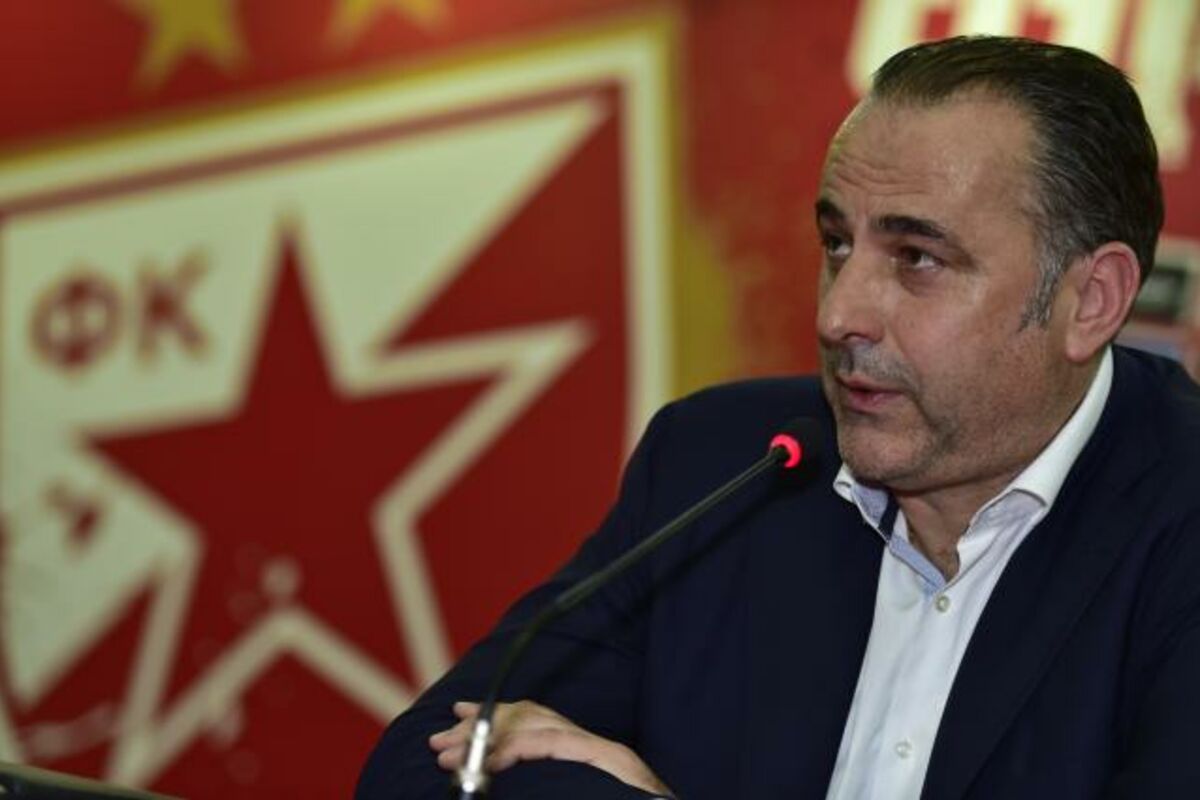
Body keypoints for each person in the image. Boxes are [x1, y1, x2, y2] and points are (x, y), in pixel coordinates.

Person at [356, 35, 1200, 799]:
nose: (839, 315)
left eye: (917, 258)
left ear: (1091, 301)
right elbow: (424, 768)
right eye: (837, 244)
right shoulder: (727, 464)